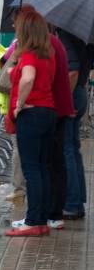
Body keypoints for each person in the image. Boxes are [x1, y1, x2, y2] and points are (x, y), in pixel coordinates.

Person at [5, 10, 57, 237]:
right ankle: (41, 218)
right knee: (42, 168)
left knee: (31, 169)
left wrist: (18, 105)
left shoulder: (29, 55)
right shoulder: (48, 54)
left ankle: (33, 221)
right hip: (48, 112)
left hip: (32, 113)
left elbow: (28, 78)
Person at [56, 28, 92, 220]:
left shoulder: (67, 33)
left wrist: (64, 99)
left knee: (67, 149)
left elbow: (73, 69)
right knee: (73, 148)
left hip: (72, 93)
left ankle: (71, 204)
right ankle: (77, 201)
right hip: (80, 92)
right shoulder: (84, 36)